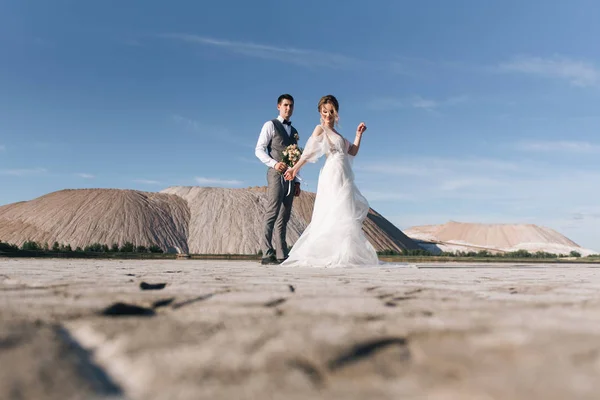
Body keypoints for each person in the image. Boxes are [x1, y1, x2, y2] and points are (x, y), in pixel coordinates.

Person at [281, 95, 379, 267]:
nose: (328, 114)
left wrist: (358, 134)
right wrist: (294, 169)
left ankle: (345, 254)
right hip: (332, 174)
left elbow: (353, 151)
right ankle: (326, 253)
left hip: (345, 174)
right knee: (332, 210)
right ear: (320, 112)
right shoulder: (320, 129)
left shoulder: (338, 135)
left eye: (331, 111)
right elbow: (308, 153)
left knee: (345, 212)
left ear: (336, 112)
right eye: (324, 111)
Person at [255, 94, 301, 265]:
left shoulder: (294, 132)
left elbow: (296, 159)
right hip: (275, 174)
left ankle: (282, 254)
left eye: (291, 106)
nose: (288, 109)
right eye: (285, 105)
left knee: (284, 216)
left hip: (291, 177)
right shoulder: (270, 125)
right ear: (278, 106)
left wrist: (297, 182)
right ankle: (267, 253)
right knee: (272, 213)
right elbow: (259, 149)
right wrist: (274, 164)